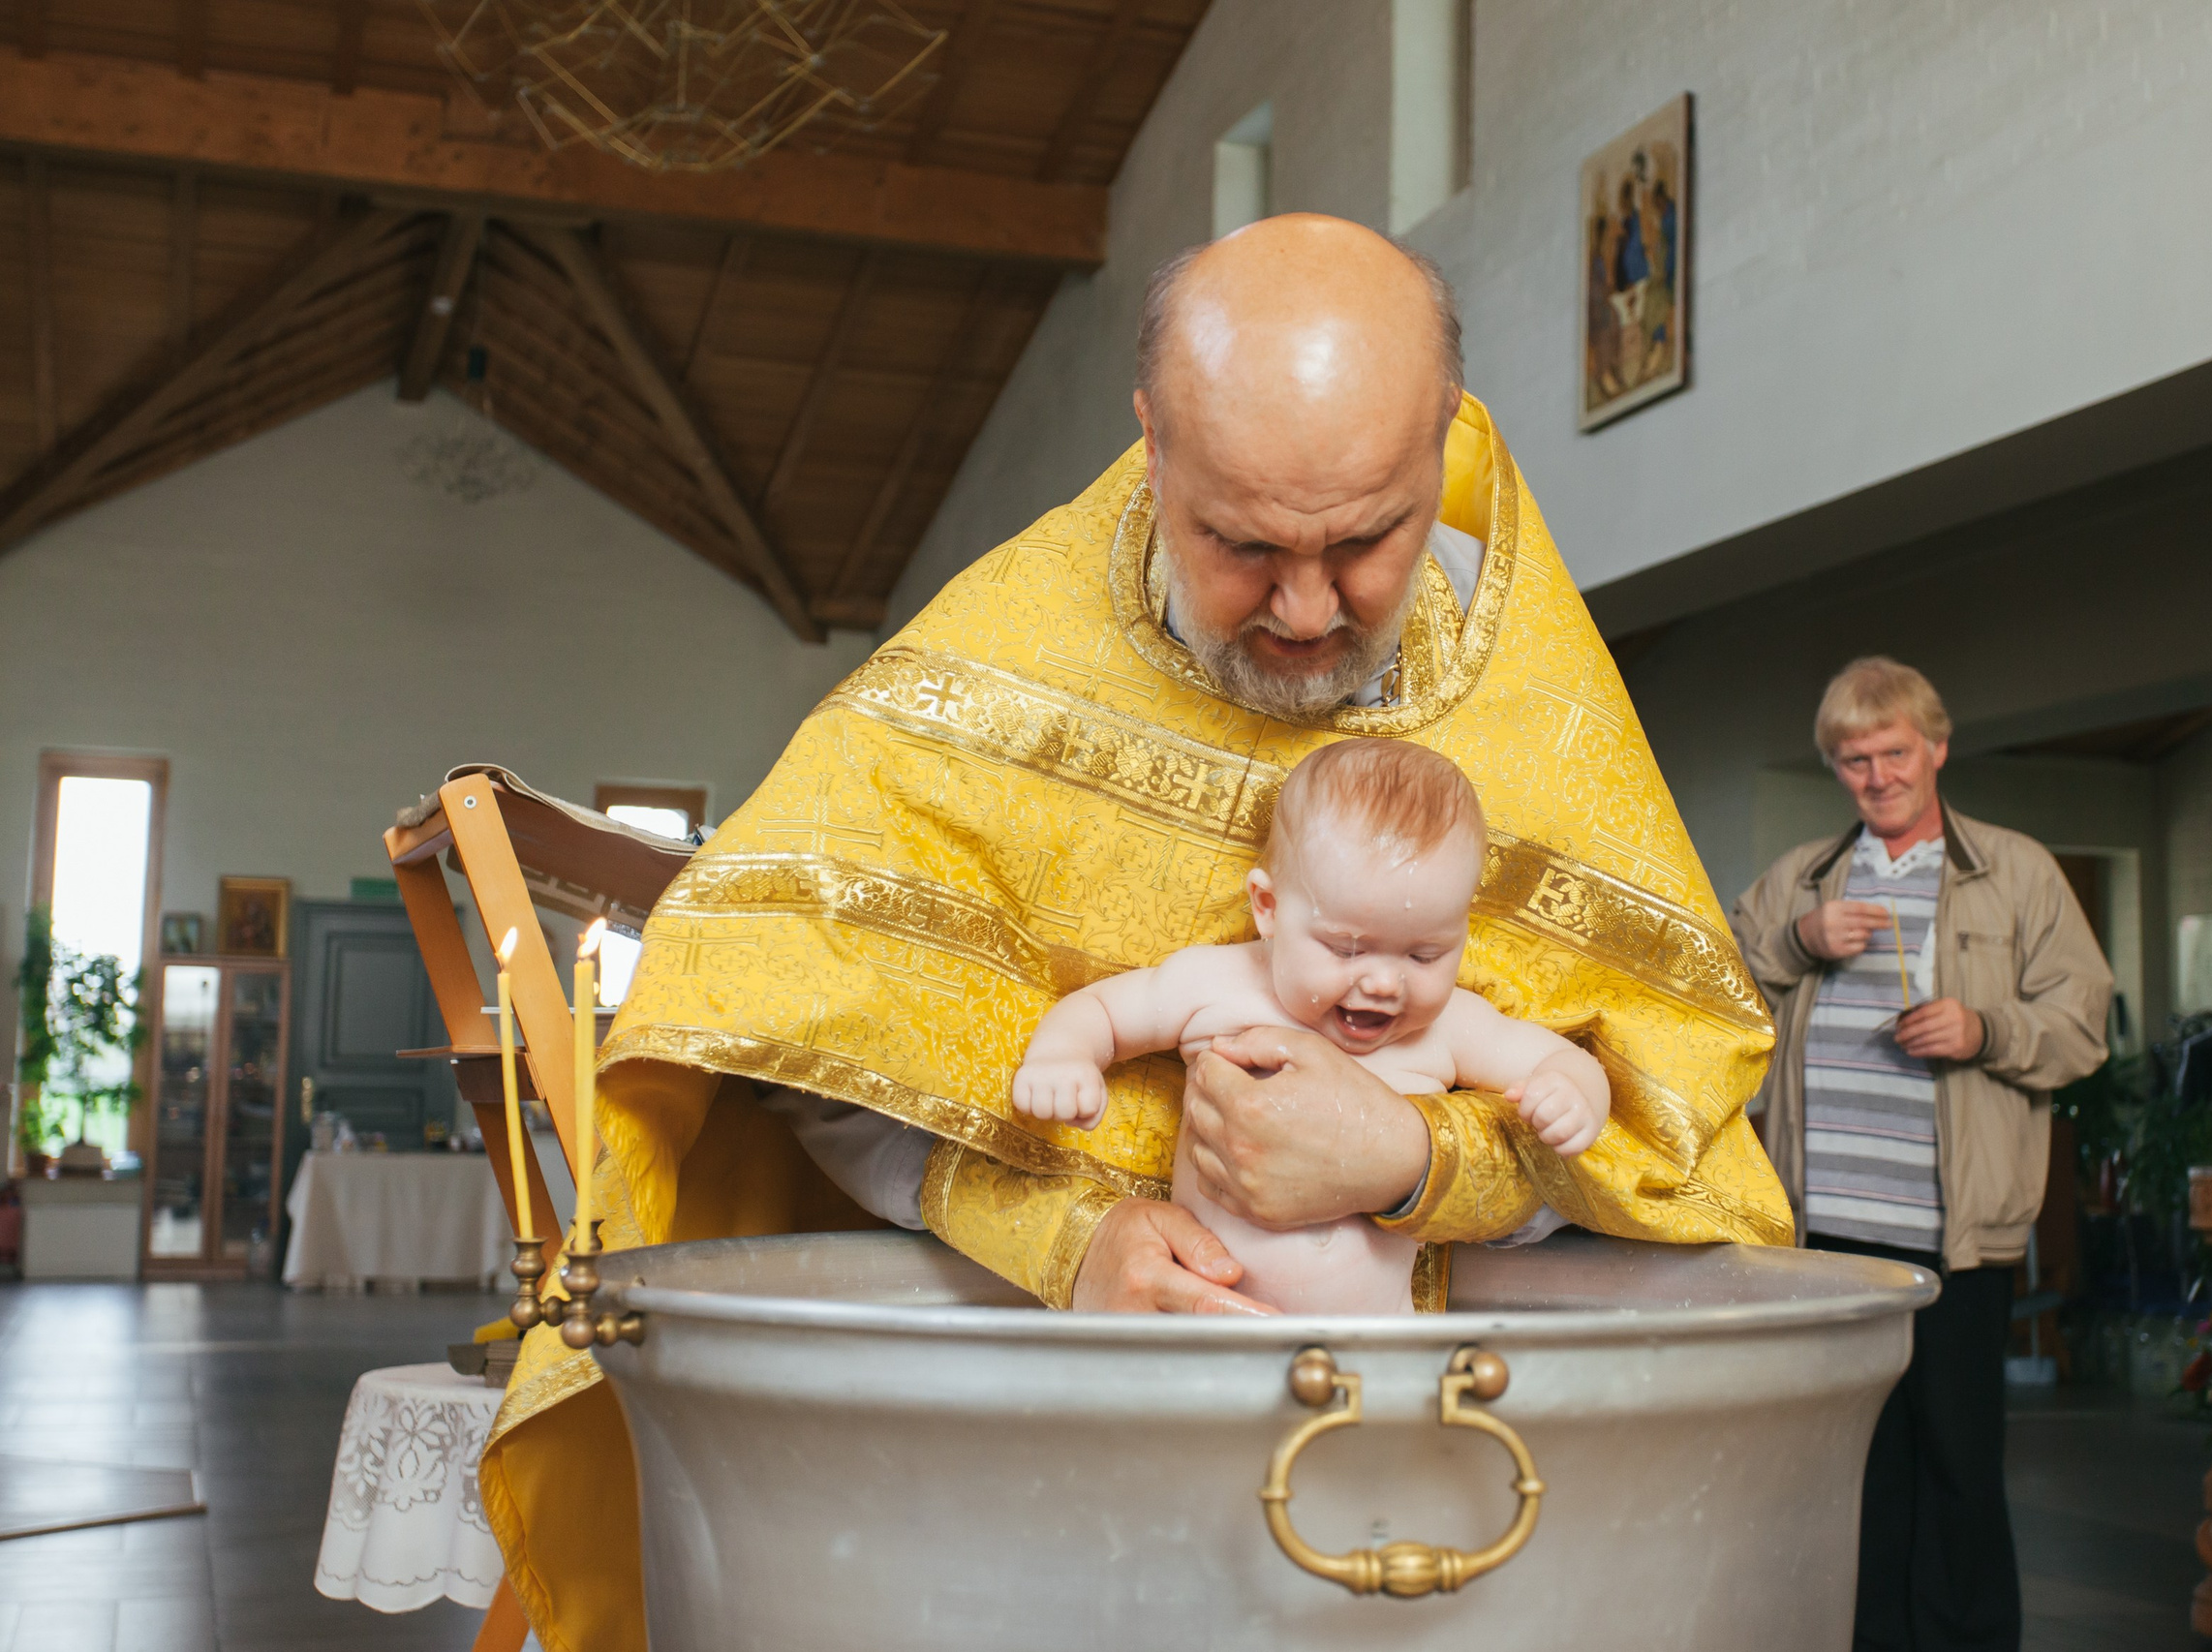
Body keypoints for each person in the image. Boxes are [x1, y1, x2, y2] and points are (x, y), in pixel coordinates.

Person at [481, 214, 1789, 1649]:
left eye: (1367, 540)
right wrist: (1064, 1232)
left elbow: (1672, 1133)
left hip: (1418, 1475)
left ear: (1448, 445)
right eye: (1242, 544)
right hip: (1026, 1470)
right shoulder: (981, 679)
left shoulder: (1537, 717)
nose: (1305, 608)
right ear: (1154, 442)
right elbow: (793, 1040)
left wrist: (1423, 1160)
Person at [1731, 657, 2109, 1652]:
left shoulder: (2013, 870)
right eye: (1852, 759)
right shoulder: (1801, 881)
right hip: (1824, 1235)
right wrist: (1796, 940)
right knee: (1852, 1465)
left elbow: (2082, 1025)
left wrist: (1983, 1029)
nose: (1876, 774)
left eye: (1893, 750)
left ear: (1936, 747)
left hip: (1953, 1234)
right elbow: (1712, 1001)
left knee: (1956, 1464)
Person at [1011, 738, 1610, 1313]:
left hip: (1372, 1342)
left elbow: (1556, 1059)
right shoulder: (1217, 985)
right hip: (1203, 1320)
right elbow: (1106, 1012)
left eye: (1424, 955)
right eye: (1348, 950)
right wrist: (1064, 1056)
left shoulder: (1446, 1027)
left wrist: (1574, 1091)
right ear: (1268, 908)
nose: (1382, 983)